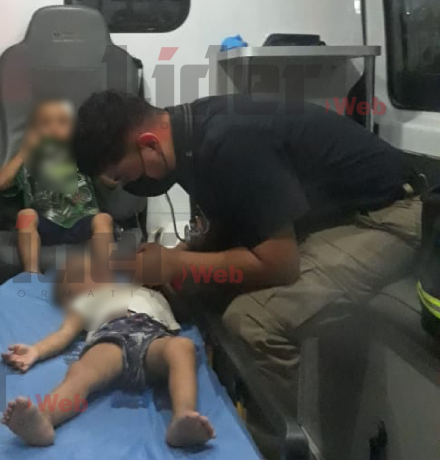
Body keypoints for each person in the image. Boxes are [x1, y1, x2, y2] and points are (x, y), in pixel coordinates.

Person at [72, 90, 422, 411]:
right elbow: (232, 213)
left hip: (391, 216)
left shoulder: (228, 141)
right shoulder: (189, 139)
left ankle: (272, 444)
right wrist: (181, 257)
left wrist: (175, 262)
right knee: (189, 285)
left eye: (124, 176)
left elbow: (280, 265)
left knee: (251, 321)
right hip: (332, 219)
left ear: (148, 145)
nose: (130, 186)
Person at [0, 254, 215, 447]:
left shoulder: (146, 289)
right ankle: (45, 418)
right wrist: (36, 350)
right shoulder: (86, 301)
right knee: (82, 372)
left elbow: (183, 305)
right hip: (112, 338)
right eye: (81, 275)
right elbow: (63, 334)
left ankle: (183, 416)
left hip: (155, 336)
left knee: (182, 347)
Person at [0, 99, 114, 273]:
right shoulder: (29, 163)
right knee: (25, 216)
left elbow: (108, 179)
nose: (53, 128)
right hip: (45, 224)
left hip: (81, 220)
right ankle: (32, 274)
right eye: (45, 123)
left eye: (62, 122)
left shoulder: (83, 157)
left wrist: (108, 175)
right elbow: (1, 183)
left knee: (103, 220)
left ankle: (102, 272)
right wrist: (25, 150)